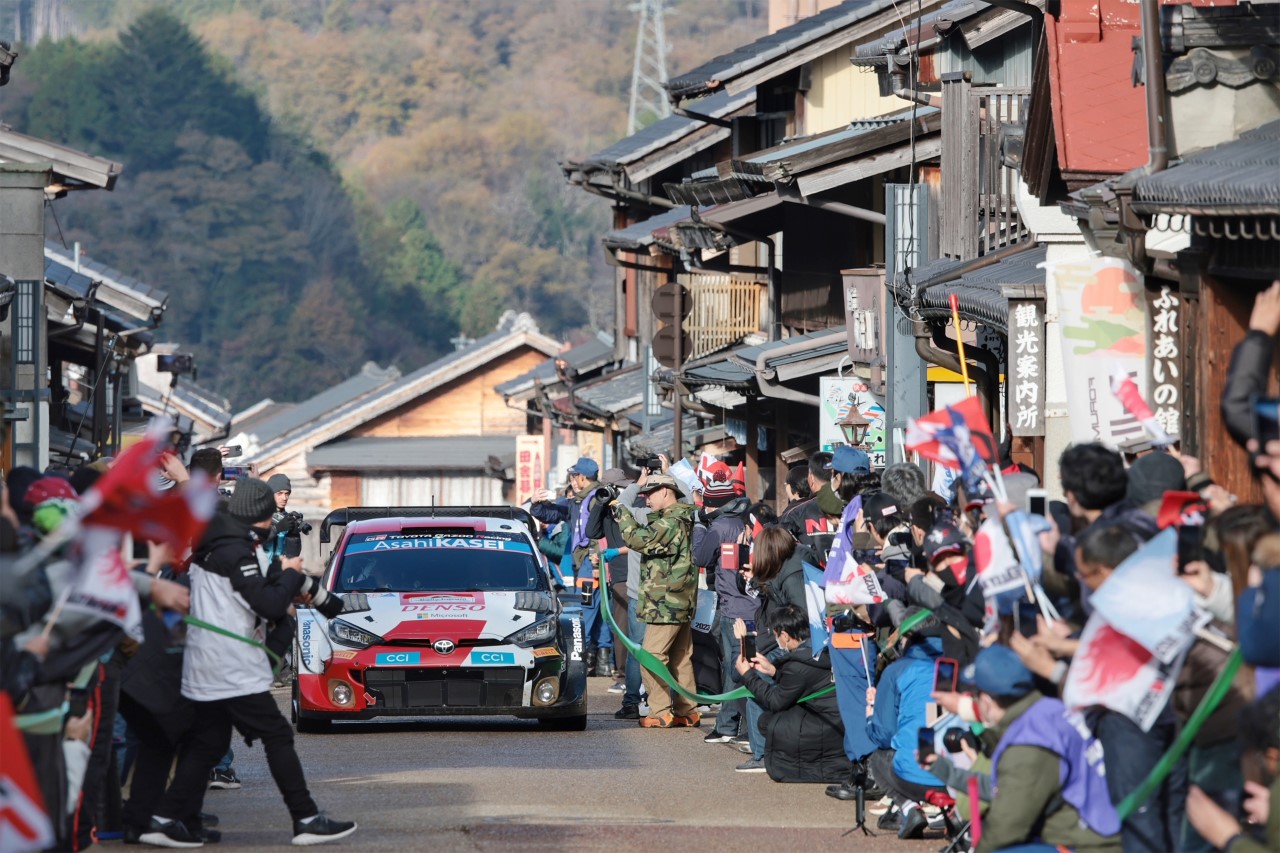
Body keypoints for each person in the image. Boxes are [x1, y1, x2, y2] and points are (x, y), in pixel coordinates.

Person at [139, 478, 356, 848]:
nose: (274, 520)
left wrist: (287, 581)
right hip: (230, 665)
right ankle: (306, 818)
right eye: (270, 514)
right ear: (258, 515)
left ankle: (163, 819)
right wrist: (291, 574)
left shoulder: (218, 544)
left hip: (208, 662)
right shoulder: (235, 550)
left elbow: (251, 593)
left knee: (208, 743)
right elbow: (267, 605)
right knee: (277, 735)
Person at [966, 645, 1122, 853]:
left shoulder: (1027, 747)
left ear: (985, 701)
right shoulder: (1052, 709)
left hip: (1088, 844)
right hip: (1109, 825)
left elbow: (1006, 828)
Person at [613, 472, 699, 729]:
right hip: (679, 599)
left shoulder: (671, 522)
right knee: (680, 656)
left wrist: (621, 511)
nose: (646, 500)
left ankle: (661, 711)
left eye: (650, 494)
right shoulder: (683, 516)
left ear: (665, 491)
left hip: (666, 603)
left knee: (651, 655)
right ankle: (687, 710)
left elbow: (637, 539)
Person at [735, 605, 848, 783]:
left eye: (776, 635)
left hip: (823, 725)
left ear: (785, 636)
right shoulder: (822, 650)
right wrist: (774, 672)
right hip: (839, 720)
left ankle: (775, 758)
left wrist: (748, 675)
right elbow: (805, 682)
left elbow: (775, 701)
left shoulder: (797, 665)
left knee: (767, 722)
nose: (777, 640)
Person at [865, 613, 948, 840]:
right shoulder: (959, 664)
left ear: (908, 636)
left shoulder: (897, 670)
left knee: (879, 757)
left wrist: (871, 715)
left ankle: (909, 807)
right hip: (961, 775)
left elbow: (884, 734)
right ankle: (956, 812)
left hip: (914, 777)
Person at [532, 457, 612, 675]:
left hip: (591, 564)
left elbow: (600, 533)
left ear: (582, 477)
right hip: (592, 564)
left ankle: (583, 662)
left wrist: (595, 558)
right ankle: (602, 663)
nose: (572, 481)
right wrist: (536, 503)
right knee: (599, 610)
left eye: (574, 476)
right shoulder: (576, 502)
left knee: (586, 610)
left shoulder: (598, 499)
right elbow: (549, 513)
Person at [693, 463, 750, 748]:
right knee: (744, 664)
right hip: (751, 603)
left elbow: (700, 558)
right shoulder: (744, 521)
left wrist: (699, 527)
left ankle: (734, 726)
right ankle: (737, 726)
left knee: (735, 667)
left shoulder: (718, 527)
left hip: (733, 606)